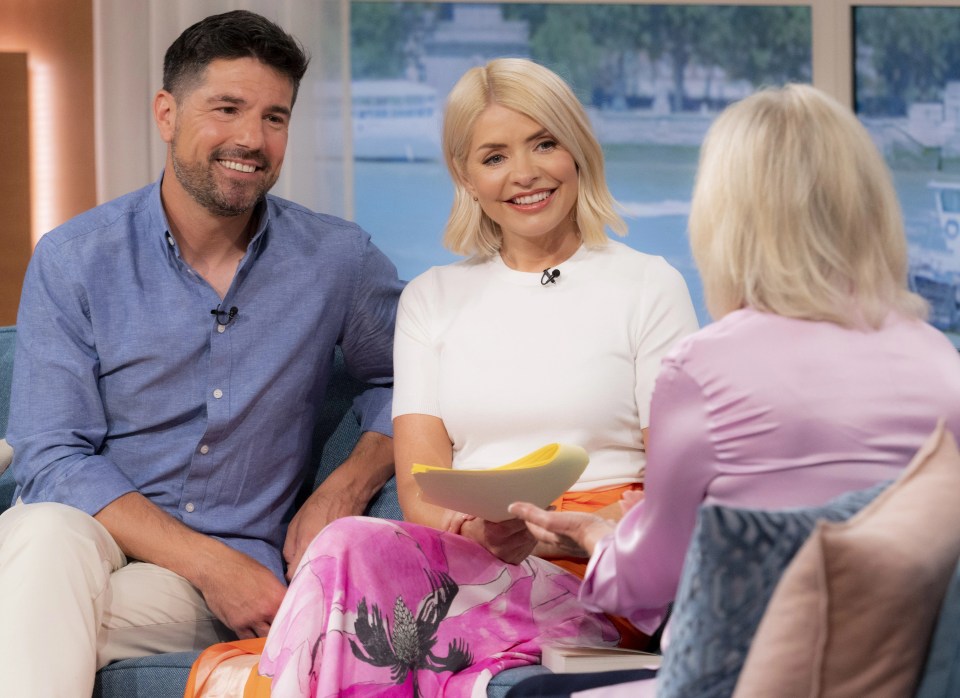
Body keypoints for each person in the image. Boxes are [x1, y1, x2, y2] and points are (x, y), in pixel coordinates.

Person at [208, 57, 699, 698]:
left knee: (342, 599)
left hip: (600, 575)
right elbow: (422, 492)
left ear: (576, 148)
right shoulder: (432, 299)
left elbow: (679, 494)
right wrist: (484, 535)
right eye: (494, 156)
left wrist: (553, 534)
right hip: (470, 558)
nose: (524, 174)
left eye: (544, 143)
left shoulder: (648, 285)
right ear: (465, 175)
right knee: (350, 546)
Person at [506, 83, 960, 698]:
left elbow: (652, 578)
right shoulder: (940, 361)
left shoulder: (702, 369)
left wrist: (598, 541)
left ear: (725, 218)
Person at [0, 10, 402, 698]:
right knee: (42, 534)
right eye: (227, 108)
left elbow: (416, 378)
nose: (252, 138)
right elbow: (51, 455)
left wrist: (346, 486)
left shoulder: (338, 260)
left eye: (275, 117)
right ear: (166, 113)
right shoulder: (75, 258)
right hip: (87, 537)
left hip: (190, 589)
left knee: (32, 602)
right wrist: (213, 565)